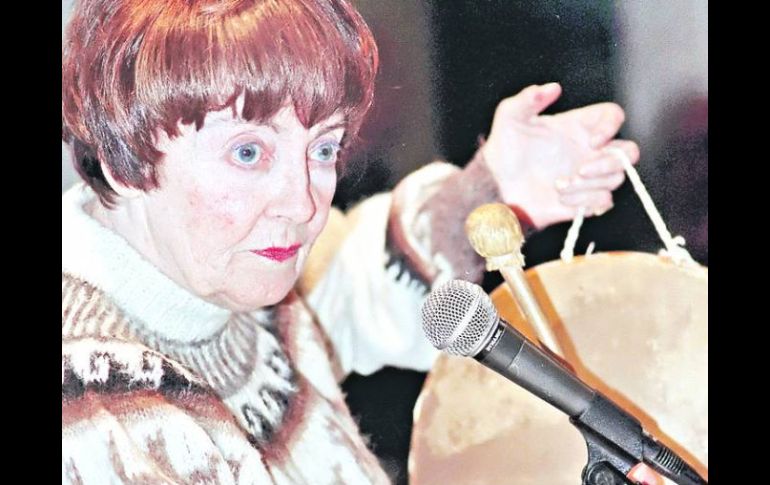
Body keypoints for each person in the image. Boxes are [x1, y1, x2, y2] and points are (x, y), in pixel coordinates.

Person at [61, 0, 645, 483]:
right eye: (249, 152)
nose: (303, 205)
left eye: (322, 148)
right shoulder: (93, 414)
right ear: (122, 159)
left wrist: (487, 190)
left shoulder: (220, 272)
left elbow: (346, 287)